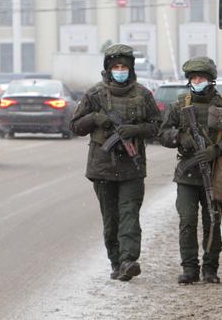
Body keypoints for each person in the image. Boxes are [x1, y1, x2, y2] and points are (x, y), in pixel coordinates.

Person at [69, 44, 161, 281]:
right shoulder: (95, 94)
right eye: (116, 67)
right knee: (111, 220)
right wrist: (95, 118)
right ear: (108, 70)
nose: (120, 71)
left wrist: (136, 129)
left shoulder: (142, 94)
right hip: (103, 167)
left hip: (132, 166)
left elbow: (158, 126)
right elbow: (75, 126)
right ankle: (116, 261)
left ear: (131, 69)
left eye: (124, 67)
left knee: (129, 215)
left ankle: (129, 260)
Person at [159, 56, 222, 284]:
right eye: (194, 77)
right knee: (187, 221)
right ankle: (189, 269)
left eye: (202, 77)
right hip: (187, 175)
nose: (198, 81)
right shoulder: (179, 106)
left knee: (213, 221)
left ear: (211, 80)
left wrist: (216, 150)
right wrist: (180, 136)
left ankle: (210, 268)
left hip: (216, 174)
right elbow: (163, 134)